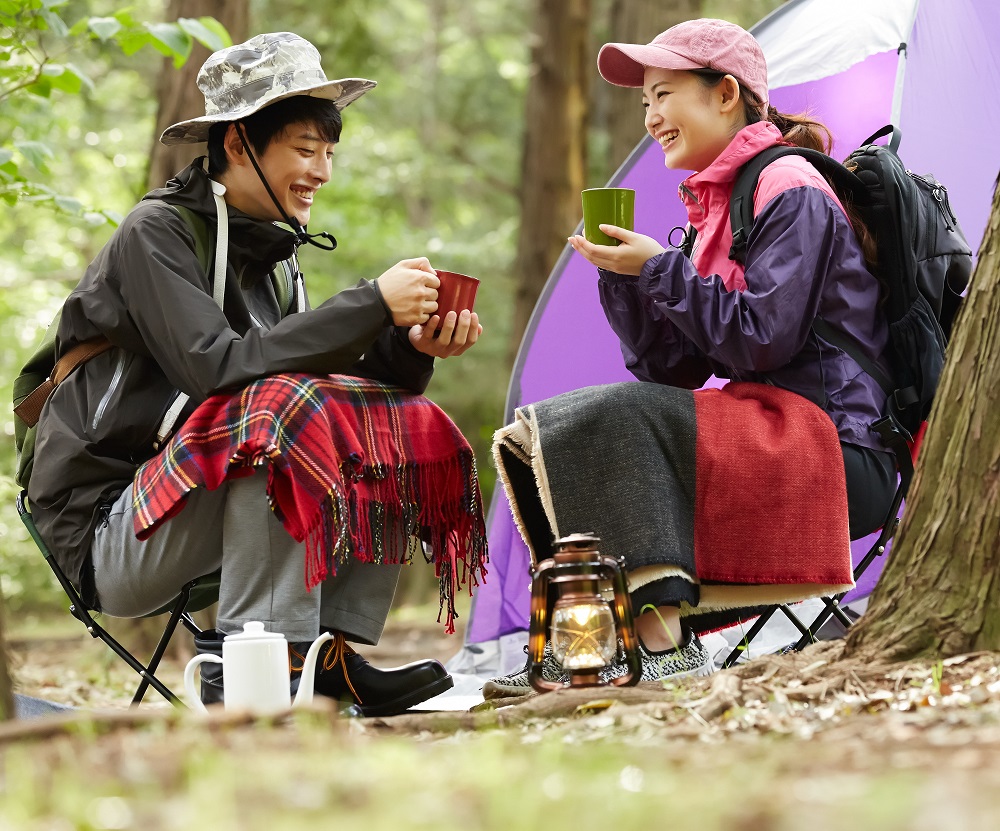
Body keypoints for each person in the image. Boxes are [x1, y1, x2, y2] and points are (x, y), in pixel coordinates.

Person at [28, 32, 486, 716]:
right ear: (239, 144)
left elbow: (330, 386)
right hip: (111, 530)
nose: (323, 171)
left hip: (204, 512)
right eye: (306, 149)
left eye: (329, 151)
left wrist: (411, 345)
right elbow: (218, 368)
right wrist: (368, 301)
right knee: (273, 415)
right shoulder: (155, 234)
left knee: (385, 418)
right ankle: (260, 660)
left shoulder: (273, 260)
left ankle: (328, 652)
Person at [485, 18, 897, 696]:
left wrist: (664, 271)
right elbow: (670, 370)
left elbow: (765, 337)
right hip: (772, 429)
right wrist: (627, 277)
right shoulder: (720, 208)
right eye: (644, 101)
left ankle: (666, 656)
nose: (650, 116)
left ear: (726, 93)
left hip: (835, 446)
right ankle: (589, 644)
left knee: (613, 417)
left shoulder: (788, 186)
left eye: (663, 94)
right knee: (548, 429)